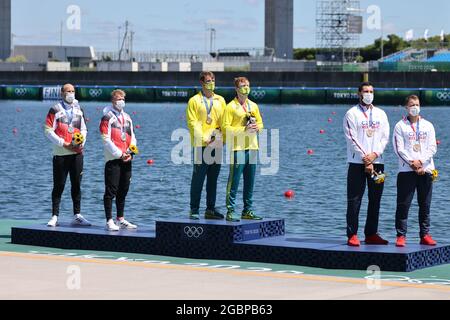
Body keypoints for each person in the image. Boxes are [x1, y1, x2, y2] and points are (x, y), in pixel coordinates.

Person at [343, 82, 390, 246]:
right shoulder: (351, 114)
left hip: (378, 163)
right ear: (359, 94)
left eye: (371, 91)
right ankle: (352, 234)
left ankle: (371, 233)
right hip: (356, 163)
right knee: (354, 199)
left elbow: (385, 137)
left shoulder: (381, 114)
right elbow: (351, 138)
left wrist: (375, 155)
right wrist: (365, 158)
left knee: (376, 199)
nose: (369, 94)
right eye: (365, 91)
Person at [393, 95, 438, 247]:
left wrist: (421, 163)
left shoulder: (428, 125)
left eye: (417, 104)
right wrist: (413, 163)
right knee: (403, 204)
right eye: (412, 104)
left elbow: (432, 148)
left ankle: (424, 234)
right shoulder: (400, 126)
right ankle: (401, 235)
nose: (415, 107)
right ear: (406, 107)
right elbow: (399, 149)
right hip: (406, 170)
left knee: (425, 204)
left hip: (426, 169)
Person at [44, 84, 91, 227]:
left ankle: (77, 215)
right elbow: (48, 130)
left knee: (76, 185)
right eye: (68, 91)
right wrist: (63, 143)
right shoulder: (55, 109)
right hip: (61, 154)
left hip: (77, 154)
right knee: (59, 185)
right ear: (62, 93)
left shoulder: (78, 110)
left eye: (73, 91)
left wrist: (81, 141)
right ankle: (54, 216)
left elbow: (83, 129)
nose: (71, 93)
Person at [186, 71, 226, 220]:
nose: (211, 83)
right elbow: (192, 123)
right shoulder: (194, 101)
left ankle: (210, 209)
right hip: (201, 145)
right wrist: (204, 139)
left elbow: (224, 121)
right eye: (208, 81)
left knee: (213, 179)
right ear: (202, 83)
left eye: (213, 80)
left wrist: (222, 138)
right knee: (198, 178)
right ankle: (194, 209)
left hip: (217, 144)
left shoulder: (220, 100)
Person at [223, 77, 264, 222]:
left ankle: (247, 211)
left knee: (250, 181)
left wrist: (257, 127)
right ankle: (230, 211)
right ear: (236, 89)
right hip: (237, 148)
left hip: (252, 147)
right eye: (242, 86)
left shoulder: (253, 105)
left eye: (247, 85)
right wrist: (243, 129)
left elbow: (260, 123)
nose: (245, 88)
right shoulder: (230, 107)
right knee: (233, 181)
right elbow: (226, 128)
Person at [100, 90, 138, 231]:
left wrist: (130, 152)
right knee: (111, 191)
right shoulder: (107, 117)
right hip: (113, 159)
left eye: (123, 98)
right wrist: (119, 153)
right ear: (112, 100)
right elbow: (105, 139)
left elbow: (132, 136)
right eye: (118, 98)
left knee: (124, 189)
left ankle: (120, 219)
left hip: (127, 158)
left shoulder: (127, 117)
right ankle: (109, 220)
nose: (121, 100)